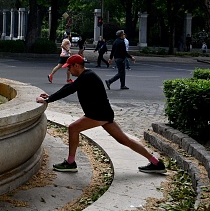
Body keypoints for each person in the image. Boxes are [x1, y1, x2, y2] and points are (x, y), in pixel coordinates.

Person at [37, 54, 166, 174]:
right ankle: (156, 163)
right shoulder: (85, 76)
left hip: (98, 114)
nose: (69, 71)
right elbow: (68, 88)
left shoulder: (87, 76)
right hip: (103, 114)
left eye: (69, 67)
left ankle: (71, 163)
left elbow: (69, 89)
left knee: (73, 128)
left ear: (76, 65)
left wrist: (48, 100)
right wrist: (50, 97)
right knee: (125, 140)